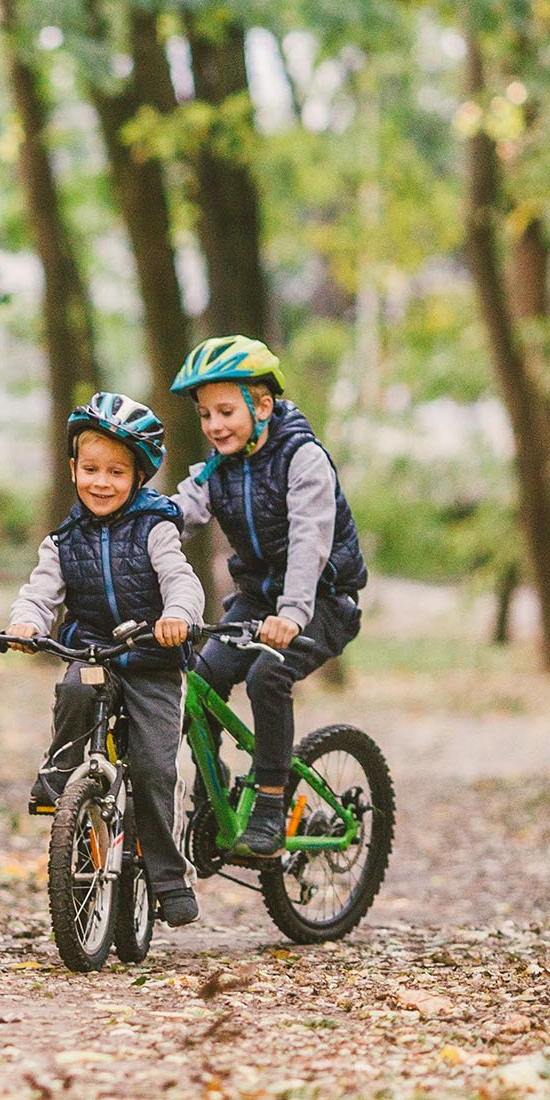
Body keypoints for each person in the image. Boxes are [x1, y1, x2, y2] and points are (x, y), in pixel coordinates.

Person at [167, 336, 369, 858]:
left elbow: (309, 543)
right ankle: (211, 797)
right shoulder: (218, 469)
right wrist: (129, 538)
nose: (215, 426)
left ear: (262, 405)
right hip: (258, 601)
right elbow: (174, 516)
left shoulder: (302, 460)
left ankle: (272, 803)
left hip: (322, 600)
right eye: (206, 414)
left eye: (226, 411)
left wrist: (294, 613)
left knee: (267, 674)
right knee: (200, 677)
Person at [12, 393, 205, 928]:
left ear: (139, 477)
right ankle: (64, 776)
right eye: (91, 468)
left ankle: (167, 876)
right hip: (95, 651)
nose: (101, 482)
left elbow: (181, 579)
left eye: (117, 471)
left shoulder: (155, 528)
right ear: (72, 468)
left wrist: (179, 615)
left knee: (151, 768)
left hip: (153, 660)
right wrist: (25, 623)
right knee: (75, 689)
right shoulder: (63, 540)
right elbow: (40, 592)